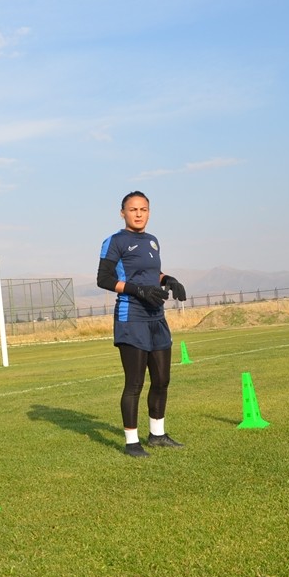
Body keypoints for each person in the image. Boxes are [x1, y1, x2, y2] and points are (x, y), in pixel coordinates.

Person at [96, 191, 187, 458]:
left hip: (156, 317)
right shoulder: (115, 241)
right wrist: (137, 290)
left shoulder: (153, 241)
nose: (138, 214)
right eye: (133, 209)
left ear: (149, 212)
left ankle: (157, 435)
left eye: (143, 209)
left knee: (162, 379)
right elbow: (104, 278)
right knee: (134, 383)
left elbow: (150, 273)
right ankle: (131, 443)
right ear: (122, 212)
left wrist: (167, 279)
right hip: (131, 317)